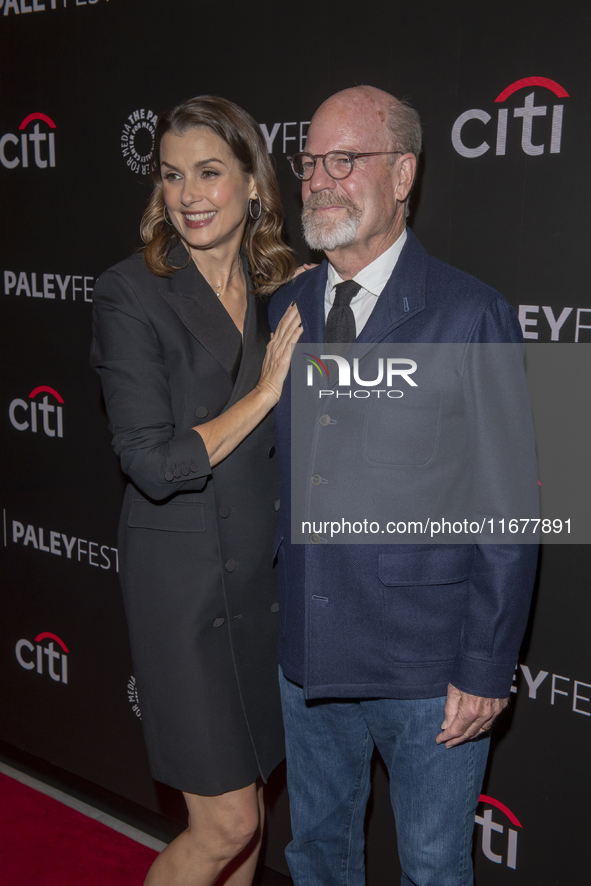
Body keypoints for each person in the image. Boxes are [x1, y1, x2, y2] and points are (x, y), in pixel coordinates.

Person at [269, 86, 538, 886]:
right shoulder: (283, 307)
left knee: (431, 868)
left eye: (345, 160)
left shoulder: (472, 311)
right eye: (311, 160)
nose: (320, 179)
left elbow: (511, 509)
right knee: (315, 855)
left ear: (403, 174)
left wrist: (487, 666)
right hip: (307, 659)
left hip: (425, 668)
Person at [90, 95, 302, 886]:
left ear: (253, 184)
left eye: (210, 172)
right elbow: (150, 462)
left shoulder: (278, 284)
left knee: (248, 821)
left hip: (261, 583)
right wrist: (263, 394)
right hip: (182, 587)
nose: (188, 194)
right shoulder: (131, 292)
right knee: (227, 823)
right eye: (172, 175)